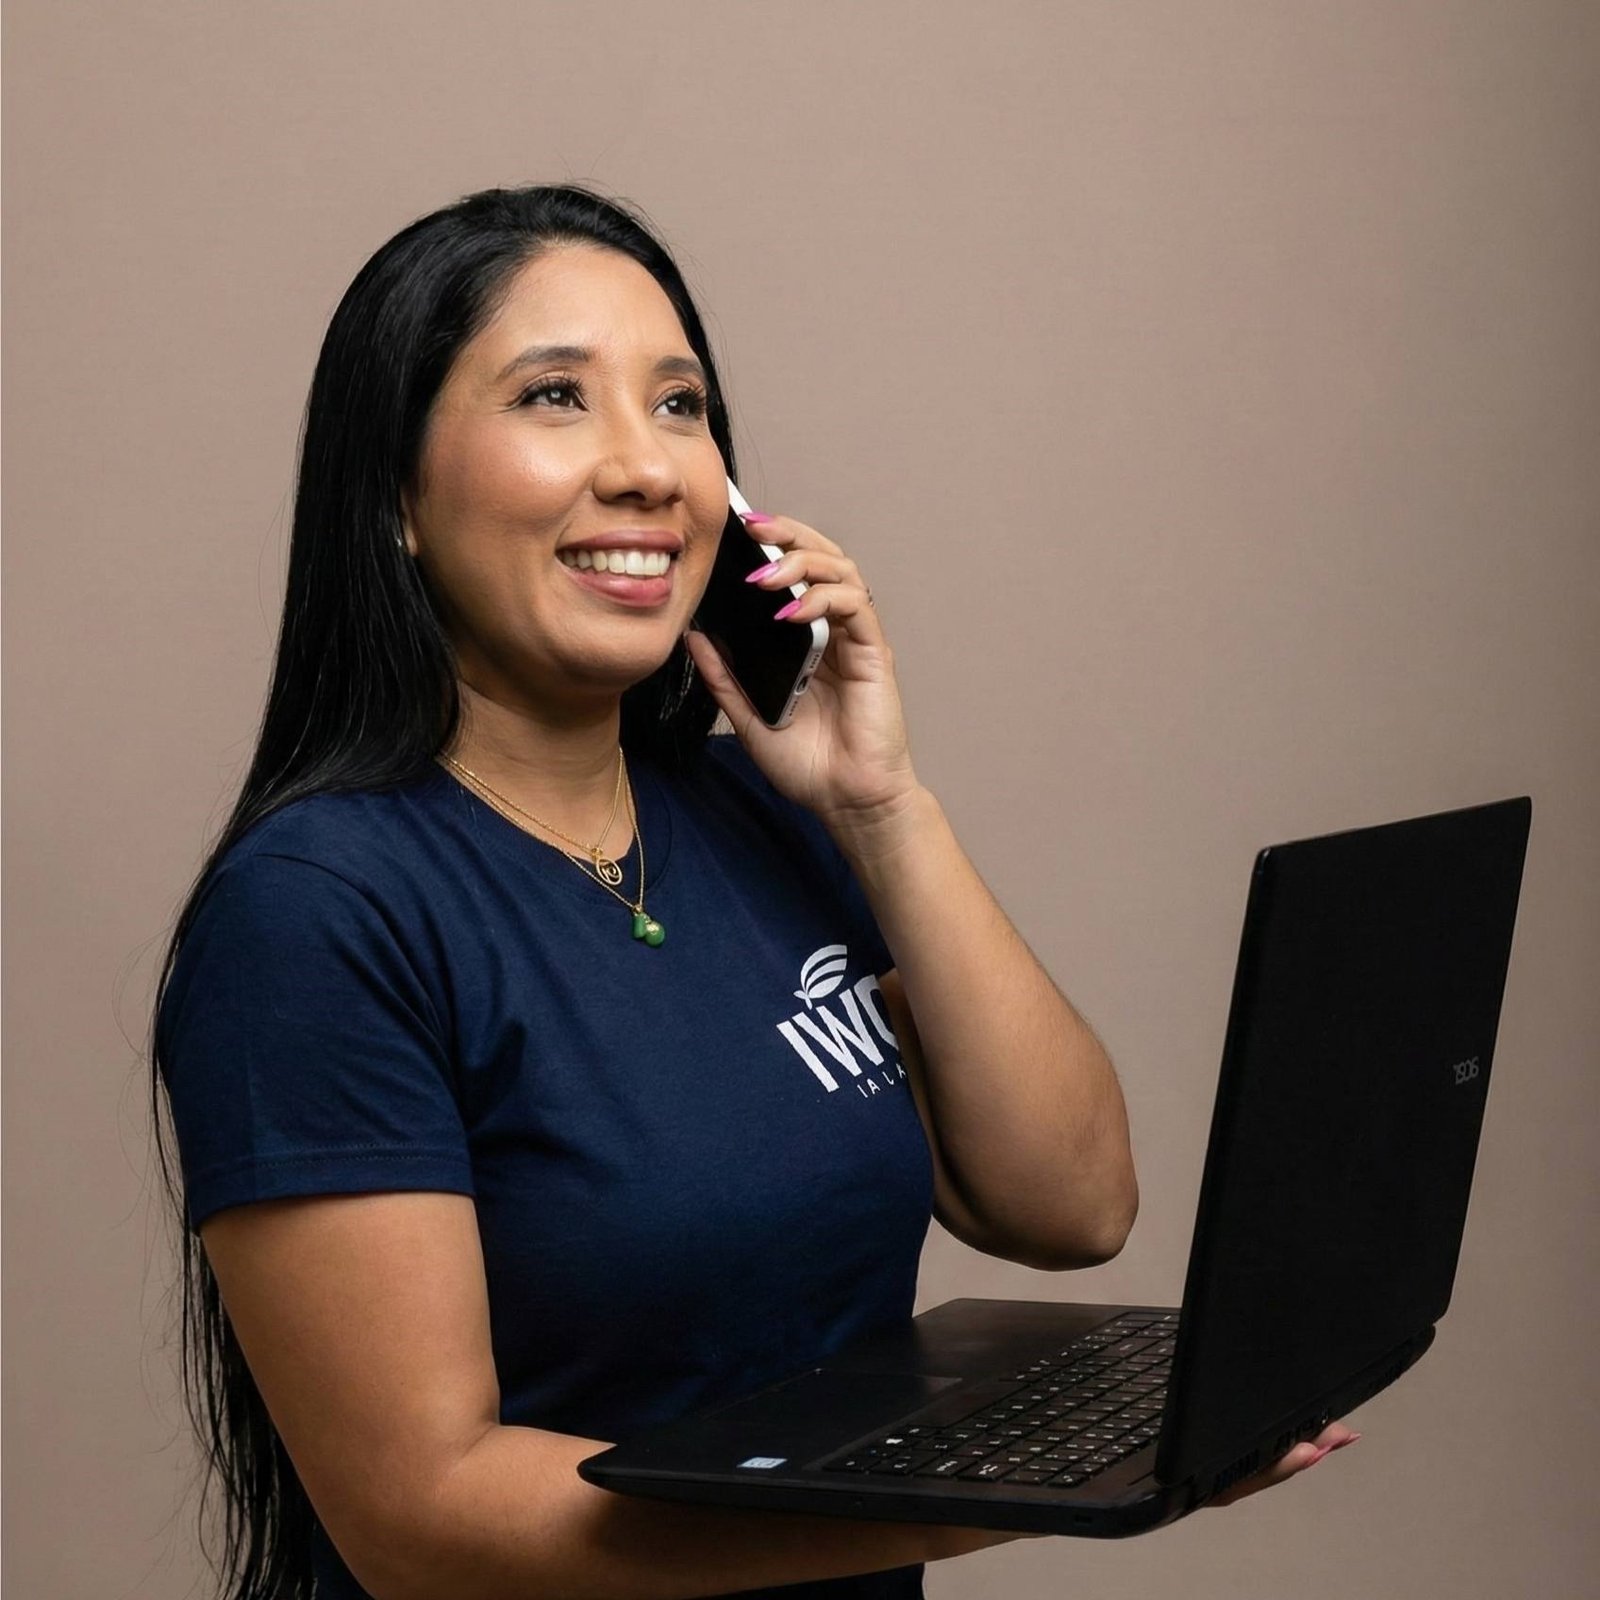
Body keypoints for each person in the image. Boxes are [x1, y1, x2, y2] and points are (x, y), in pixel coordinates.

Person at [151, 184, 1354, 1600]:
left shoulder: (754, 817)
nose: (646, 468)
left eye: (680, 406)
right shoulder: (315, 914)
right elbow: (426, 1517)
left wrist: (882, 808)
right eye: (553, 396)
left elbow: (1071, 1204)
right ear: (394, 499)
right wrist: (1023, 1487)